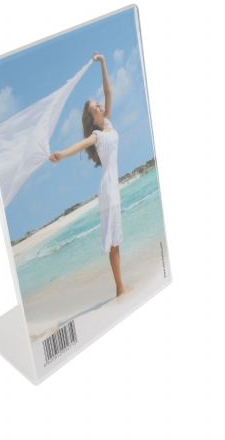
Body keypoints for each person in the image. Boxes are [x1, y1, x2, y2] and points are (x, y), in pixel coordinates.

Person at [49, 52, 130, 297]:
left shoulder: (109, 124)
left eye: (99, 104)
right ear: (92, 118)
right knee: (113, 241)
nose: (101, 105)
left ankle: (120, 286)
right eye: (96, 106)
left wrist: (103, 62)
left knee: (116, 239)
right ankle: (120, 288)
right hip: (108, 188)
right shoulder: (97, 135)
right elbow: (79, 146)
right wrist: (62, 154)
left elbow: (109, 91)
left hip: (112, 186)